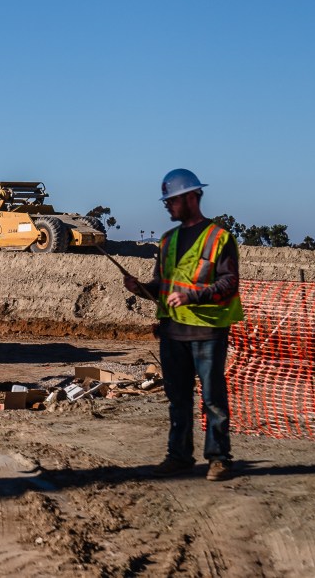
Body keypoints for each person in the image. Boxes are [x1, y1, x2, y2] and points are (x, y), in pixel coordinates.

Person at [124, 169, 244, 482]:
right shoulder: (167, 241)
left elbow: (229, 283)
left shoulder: (220, 238)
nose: (167, 205)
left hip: (207, 331)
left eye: (172, 200)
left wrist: (191, 296)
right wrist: (141, 289)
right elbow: (164, 287)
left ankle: (219, 459)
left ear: (192, 197)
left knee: (212, 399)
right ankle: (179, 456)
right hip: (173, 332)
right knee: (178, 399)